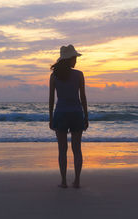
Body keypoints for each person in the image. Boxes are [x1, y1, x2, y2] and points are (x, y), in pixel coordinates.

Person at [49, 44, 89, 189]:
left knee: (62, 150)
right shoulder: (79, 74)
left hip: (60, 113)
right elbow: (83, 97)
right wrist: (86, 116)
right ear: (69, 59)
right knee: (77, 149)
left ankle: (64, 181)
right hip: (76, 113)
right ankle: (77, 181)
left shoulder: (54, 76)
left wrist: (50, 118)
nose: (76, 61)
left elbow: (51, 100)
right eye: (74, 58)